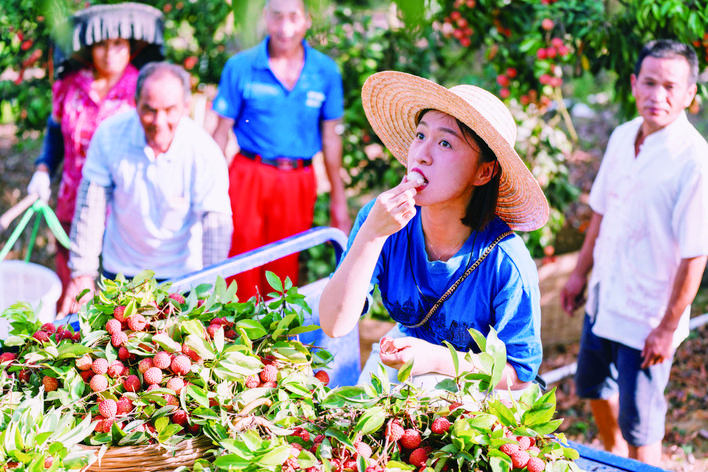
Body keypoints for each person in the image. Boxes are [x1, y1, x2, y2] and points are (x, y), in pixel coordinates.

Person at [319, 71, 549, 392]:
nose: (422, 154)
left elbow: (519, 375)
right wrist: (371, 234)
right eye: (420, 135)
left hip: (479, 388)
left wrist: (438, 360)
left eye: (444, 143)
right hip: (405, 363)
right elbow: (334, 324)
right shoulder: (382, 222)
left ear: (484, 172)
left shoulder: (504, 260)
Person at [560, 39, 708, 466]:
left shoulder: (694, 160)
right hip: (605, 296)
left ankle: (640, 463)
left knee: (641, 421)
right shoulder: (624, 135)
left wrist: (667, 326)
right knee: (591, 385)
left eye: (669, 86)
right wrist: (578, 274)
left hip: (647, 316)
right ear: (633, 83)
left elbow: (694, 255)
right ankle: (614, 455)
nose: (656, 95)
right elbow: (601, 213)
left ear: (689, 95)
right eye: (648, 82)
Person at [59, 62, 232, 317]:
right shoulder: (109, 135)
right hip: (121, 272)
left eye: (170, 110)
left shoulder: (204, 152)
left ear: (186, 106)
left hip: (182, 277)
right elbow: (91, 206)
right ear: (135, 102)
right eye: (149, 110)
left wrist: (211, 290)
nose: (159, 122)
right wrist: (82, 273)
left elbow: (215, 225)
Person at [27, 2, 164, 313]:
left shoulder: (143, 88)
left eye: (117, 43)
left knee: (122, 304)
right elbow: (55, 129)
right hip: (73, 204)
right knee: (76, 294)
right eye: (101, 44)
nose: (109, 52)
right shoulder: (71, 85)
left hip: (124, 208)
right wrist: (43, 169)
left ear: (130, 46)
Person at [211, 0, 350, 300]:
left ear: (307, 20)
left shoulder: (325, 71)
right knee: (241, 261)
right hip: (248, 174)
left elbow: (331, 138)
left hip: (298, 180)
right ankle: (233, 339)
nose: (285, 28)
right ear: (265, 18)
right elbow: (220, 134)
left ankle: (274, 342)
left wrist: (339, 198)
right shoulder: (241, 66)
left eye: (293, 17)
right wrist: (208, 193)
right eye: (277, 16)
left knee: (284, 263)